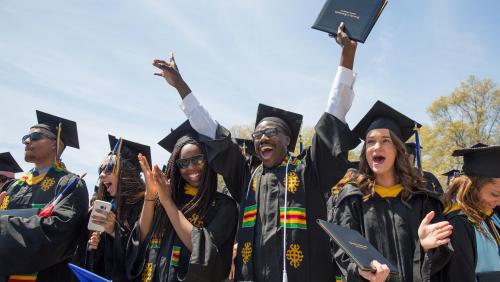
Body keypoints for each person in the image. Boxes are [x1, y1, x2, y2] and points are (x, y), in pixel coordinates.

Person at [151, 22, 360, 281]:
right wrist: (181, 86)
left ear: (288, 140)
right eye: (258, 134)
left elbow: (334, 115)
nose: (262, 138)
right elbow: (212, 131)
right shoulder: (247, 176)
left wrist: (347, 55)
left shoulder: (309, 170)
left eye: (271, 132)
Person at [328, 101, 453, 282]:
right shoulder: (352, 198)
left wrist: (426, 248)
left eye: (385, 141)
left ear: (397, 149)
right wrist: (361, 269)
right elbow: (342, 252)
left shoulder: (423, 198)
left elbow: (444, 255)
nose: (377, 147)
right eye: (370, 142)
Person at [125, 121, 238, 281]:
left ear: (208, 160)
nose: (191, 167)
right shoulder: (169, 196)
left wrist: (167, 202)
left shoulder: (222, 206)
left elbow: (205, 253)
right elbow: (140, 240)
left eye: (197, 160)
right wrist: (150, 196)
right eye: (183, 163)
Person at [0, 110, 89, 281]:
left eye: (35, 137)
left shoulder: (70, 184)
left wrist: (3, 225)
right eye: (26, 137)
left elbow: (56, 233)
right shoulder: (14, 186)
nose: (27, 141)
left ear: (55, 144)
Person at [84, 136, 148, 281]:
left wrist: (114, 231)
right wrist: (94, 246)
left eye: (108, 169)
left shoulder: (144, 203)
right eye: (101, 170)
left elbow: (145, 251)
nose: (101, 175)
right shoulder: (107, 205)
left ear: (126, 171)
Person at [439, 144, 500, 281]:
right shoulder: (458, 224)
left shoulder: (493, 217)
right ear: (473, 187)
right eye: (495, 194)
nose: (499, 201)